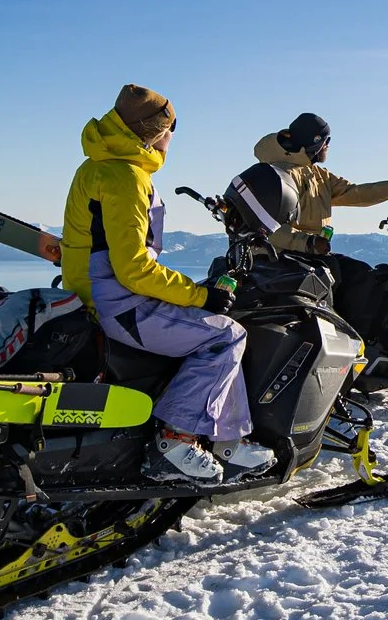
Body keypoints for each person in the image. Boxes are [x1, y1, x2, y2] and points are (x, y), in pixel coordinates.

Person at [52, 84, 273, 485]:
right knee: (226, 337)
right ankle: (174, 441)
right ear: (155, 132)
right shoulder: (125, 176)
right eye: (171, 130)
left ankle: (227, 438)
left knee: (224, 331)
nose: (172, 139)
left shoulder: (98, 165)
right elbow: (133, 267)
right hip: (119, 304)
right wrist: (201, 295)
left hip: (97, 294)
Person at [251, 112, 388, 259]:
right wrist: (308, 243)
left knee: (363, 274)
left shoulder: (318, 175)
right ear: (316, 143)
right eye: (326, 141)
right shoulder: (279, 175)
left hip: (308, 253)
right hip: (283, 257)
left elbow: (355, 193)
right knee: (356, 281)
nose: (328, 146)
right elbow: (267, 227)